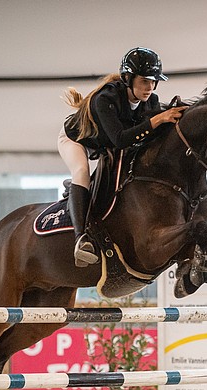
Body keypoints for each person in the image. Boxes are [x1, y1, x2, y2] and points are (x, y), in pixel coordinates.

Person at [59, 47, 187, 267]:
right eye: (144, 81)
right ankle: (81, 239)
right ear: (128, 78)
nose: (150, 87)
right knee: (81, 170)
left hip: (105, 145)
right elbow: (120, 139)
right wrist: (157, 120)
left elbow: (148, 139)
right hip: (76, 140)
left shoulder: (151, 101)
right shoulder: (105, 98)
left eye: (153, 82)